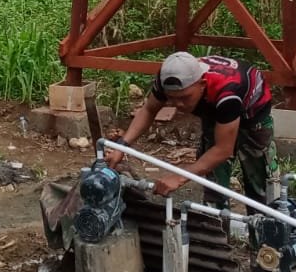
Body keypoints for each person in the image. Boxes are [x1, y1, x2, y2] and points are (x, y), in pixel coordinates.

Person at [105, 51, 278, 204]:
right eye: (171, 98)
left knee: (259, 182)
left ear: (202, 84)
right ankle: (216, 224)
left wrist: (179, 177)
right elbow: (149, 110)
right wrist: (121, 146)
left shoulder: (228, 93)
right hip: (213, 108)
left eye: (185, 97)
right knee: (214, 180)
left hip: (253, 113)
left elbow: (224, 150)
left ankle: (266, 225)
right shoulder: (166, 79)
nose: (178, 104)